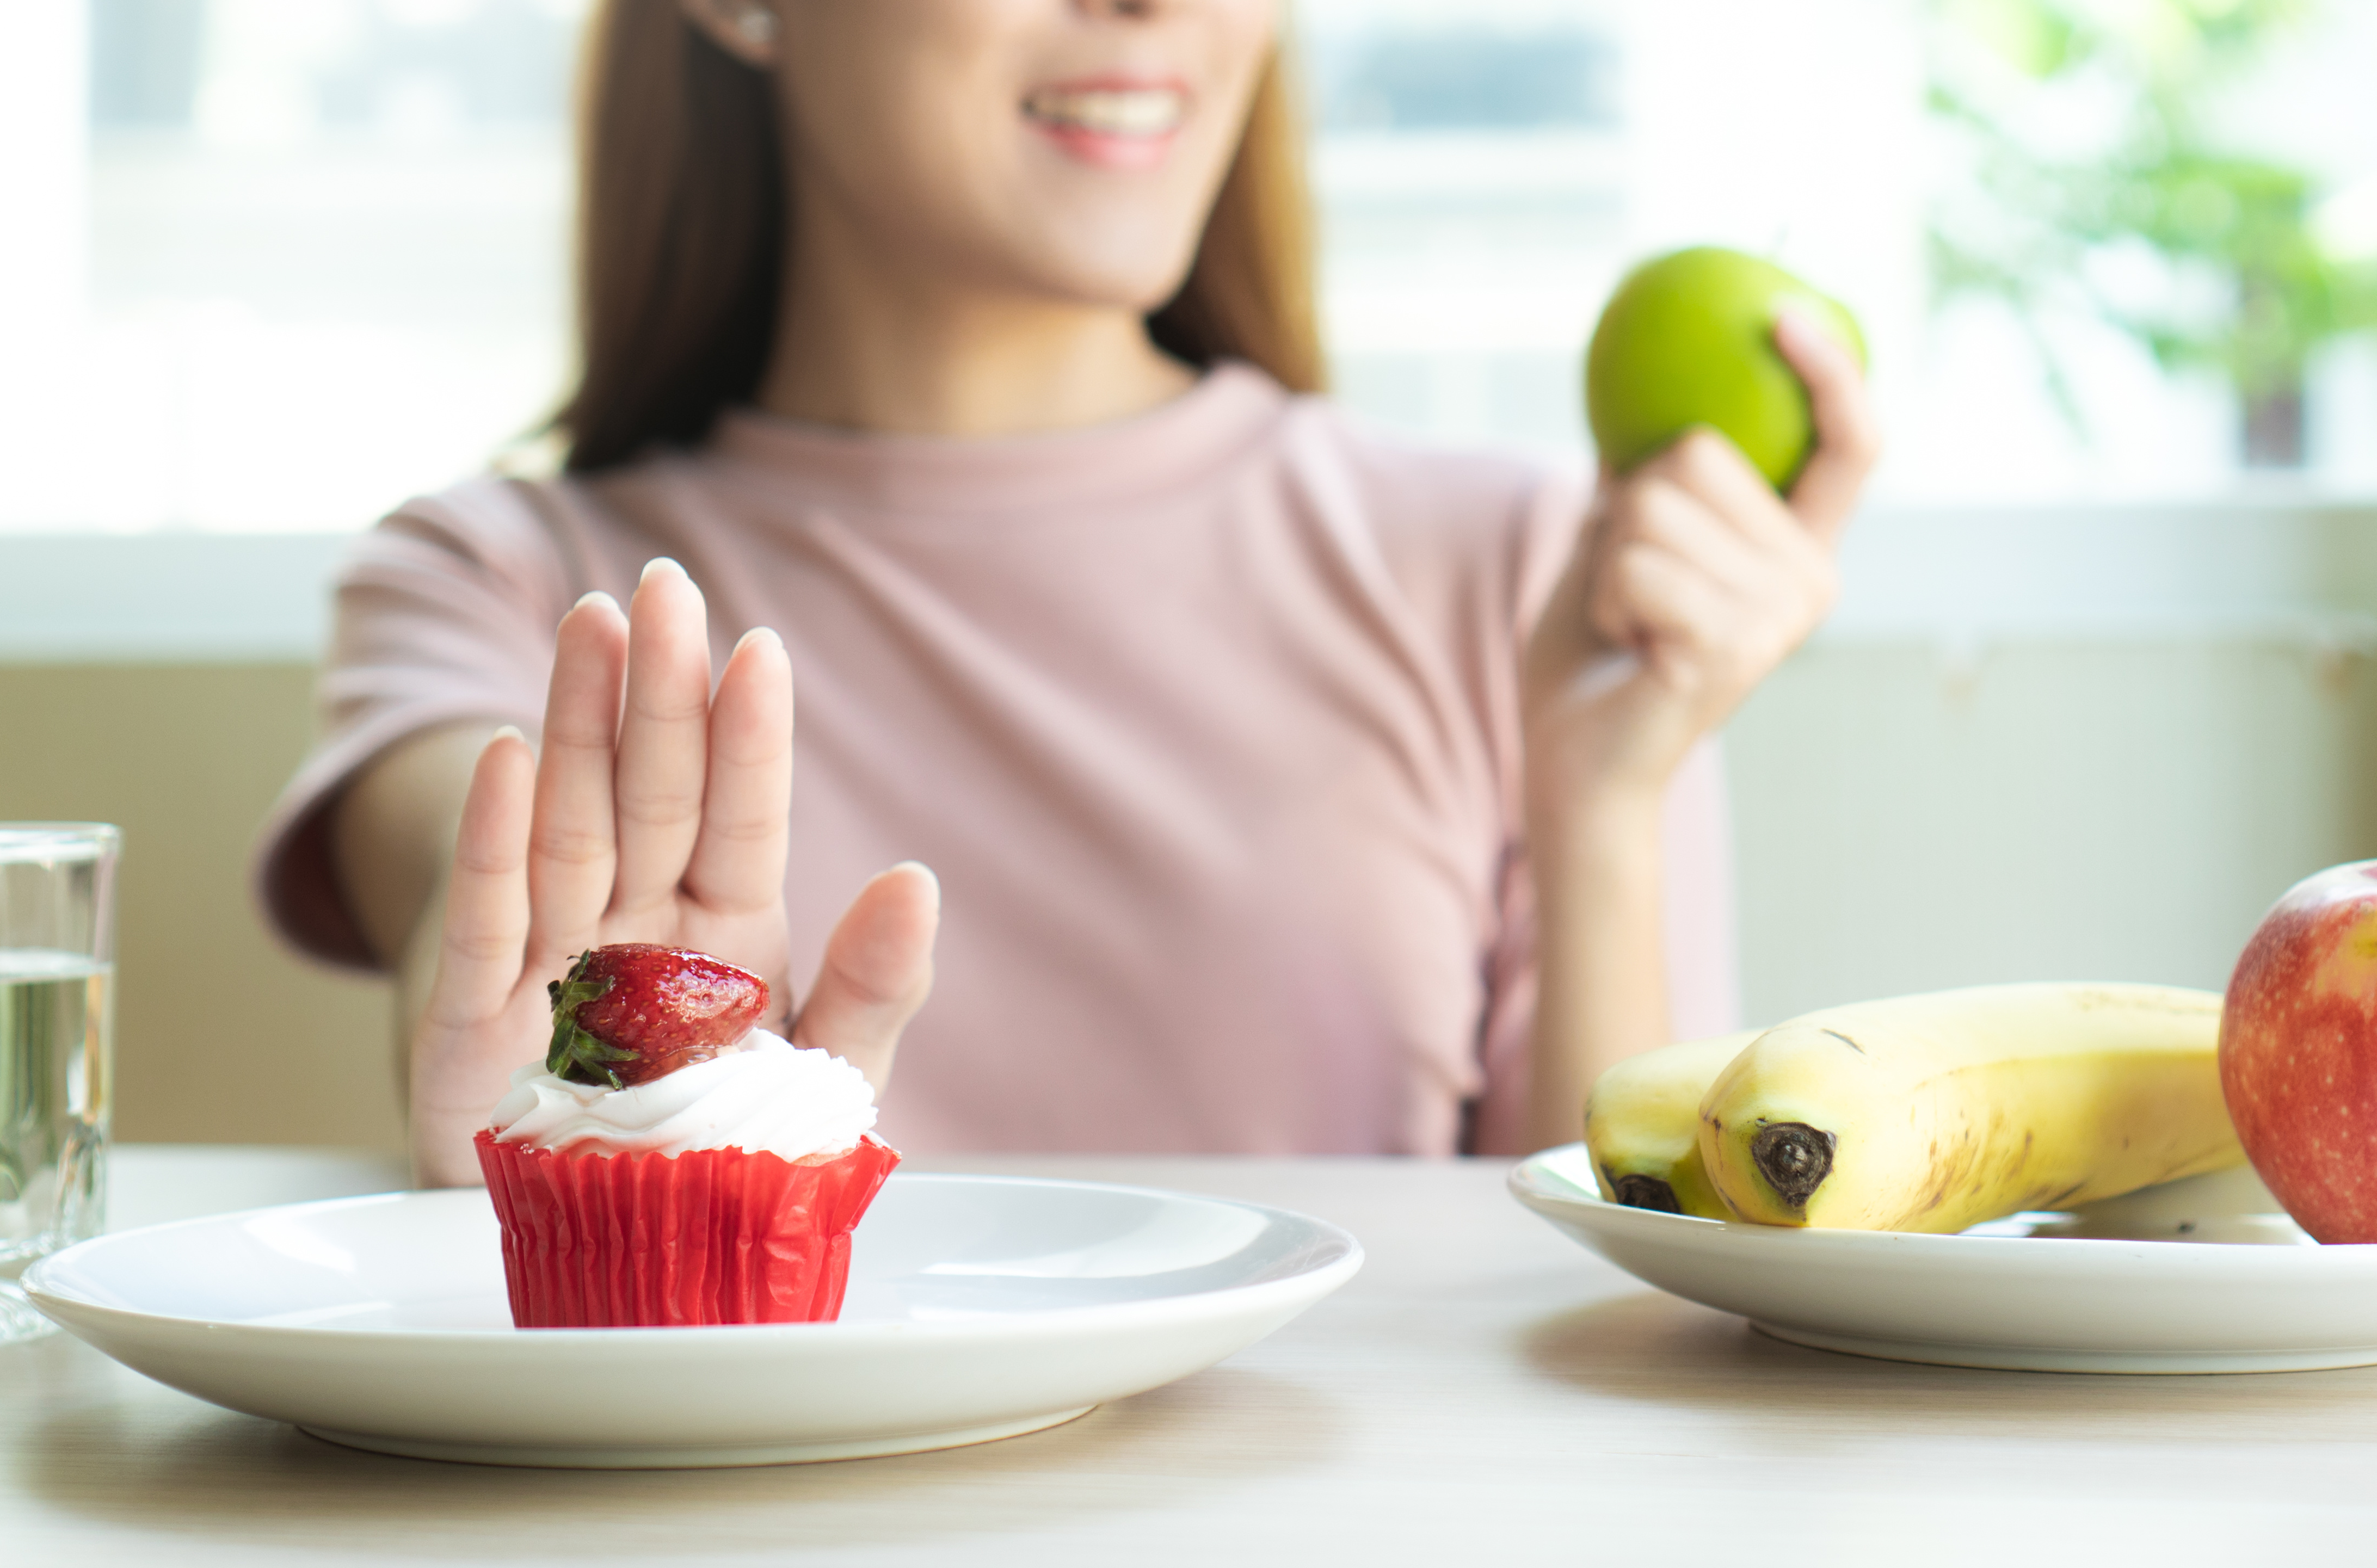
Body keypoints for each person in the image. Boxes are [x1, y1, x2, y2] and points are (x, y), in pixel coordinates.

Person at [254, 0, 1877, 1186]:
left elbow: (1597, 1314)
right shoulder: (498, 585)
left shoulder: (1526, 576)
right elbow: (473, 1009)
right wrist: (573, 1124)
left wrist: (1603, 802)